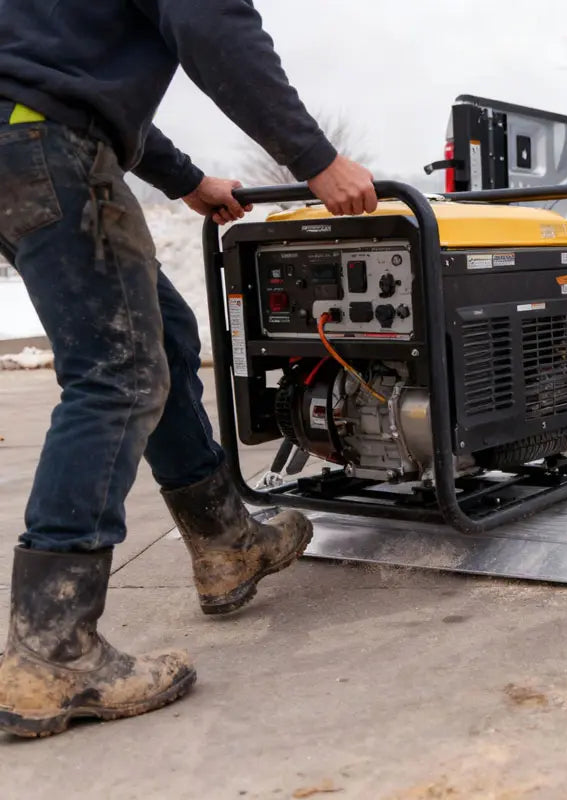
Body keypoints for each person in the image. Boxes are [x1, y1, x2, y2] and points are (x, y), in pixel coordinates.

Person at [0, 0, 379, 738]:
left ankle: (224, 542)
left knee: (165, 337)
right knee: (116, 372)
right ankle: (53, 648)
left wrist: (185, 179)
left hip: (25, 138)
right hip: (48, 142)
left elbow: (70, 72)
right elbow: (210, 25)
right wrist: (316, 160)